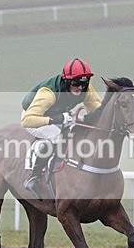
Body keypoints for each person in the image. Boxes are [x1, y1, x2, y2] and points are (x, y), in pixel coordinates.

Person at [20, 58, 102, 196]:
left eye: (84, 83)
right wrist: (58, 119)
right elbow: (27, 120)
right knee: (56, 136)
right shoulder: (48, 93)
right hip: (35, 117)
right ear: (66, 81)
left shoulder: (86, 90)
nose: (80, 87)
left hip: (60, 114)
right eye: (76, 83)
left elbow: (99, 111)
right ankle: (33, 177)